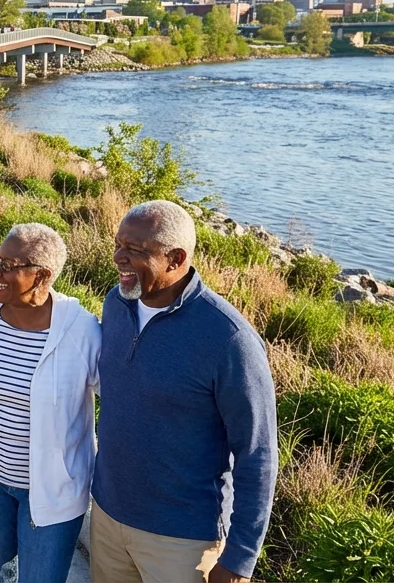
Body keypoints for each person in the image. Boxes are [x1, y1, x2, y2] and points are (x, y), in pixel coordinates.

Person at [90, 200, 277, 583]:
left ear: (175, 258)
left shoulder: (228, 339)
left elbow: (257, 453)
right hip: (108, 519)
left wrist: (240, 559)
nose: (118, 258)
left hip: (182, 542)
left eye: (134, 251)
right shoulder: (117, 303)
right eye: (118, 244)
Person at [0, 224, 101, 582]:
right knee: (0, 578)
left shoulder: (81, 330)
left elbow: (121, 400)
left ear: (42, 275)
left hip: (51, 491)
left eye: (8, 265)